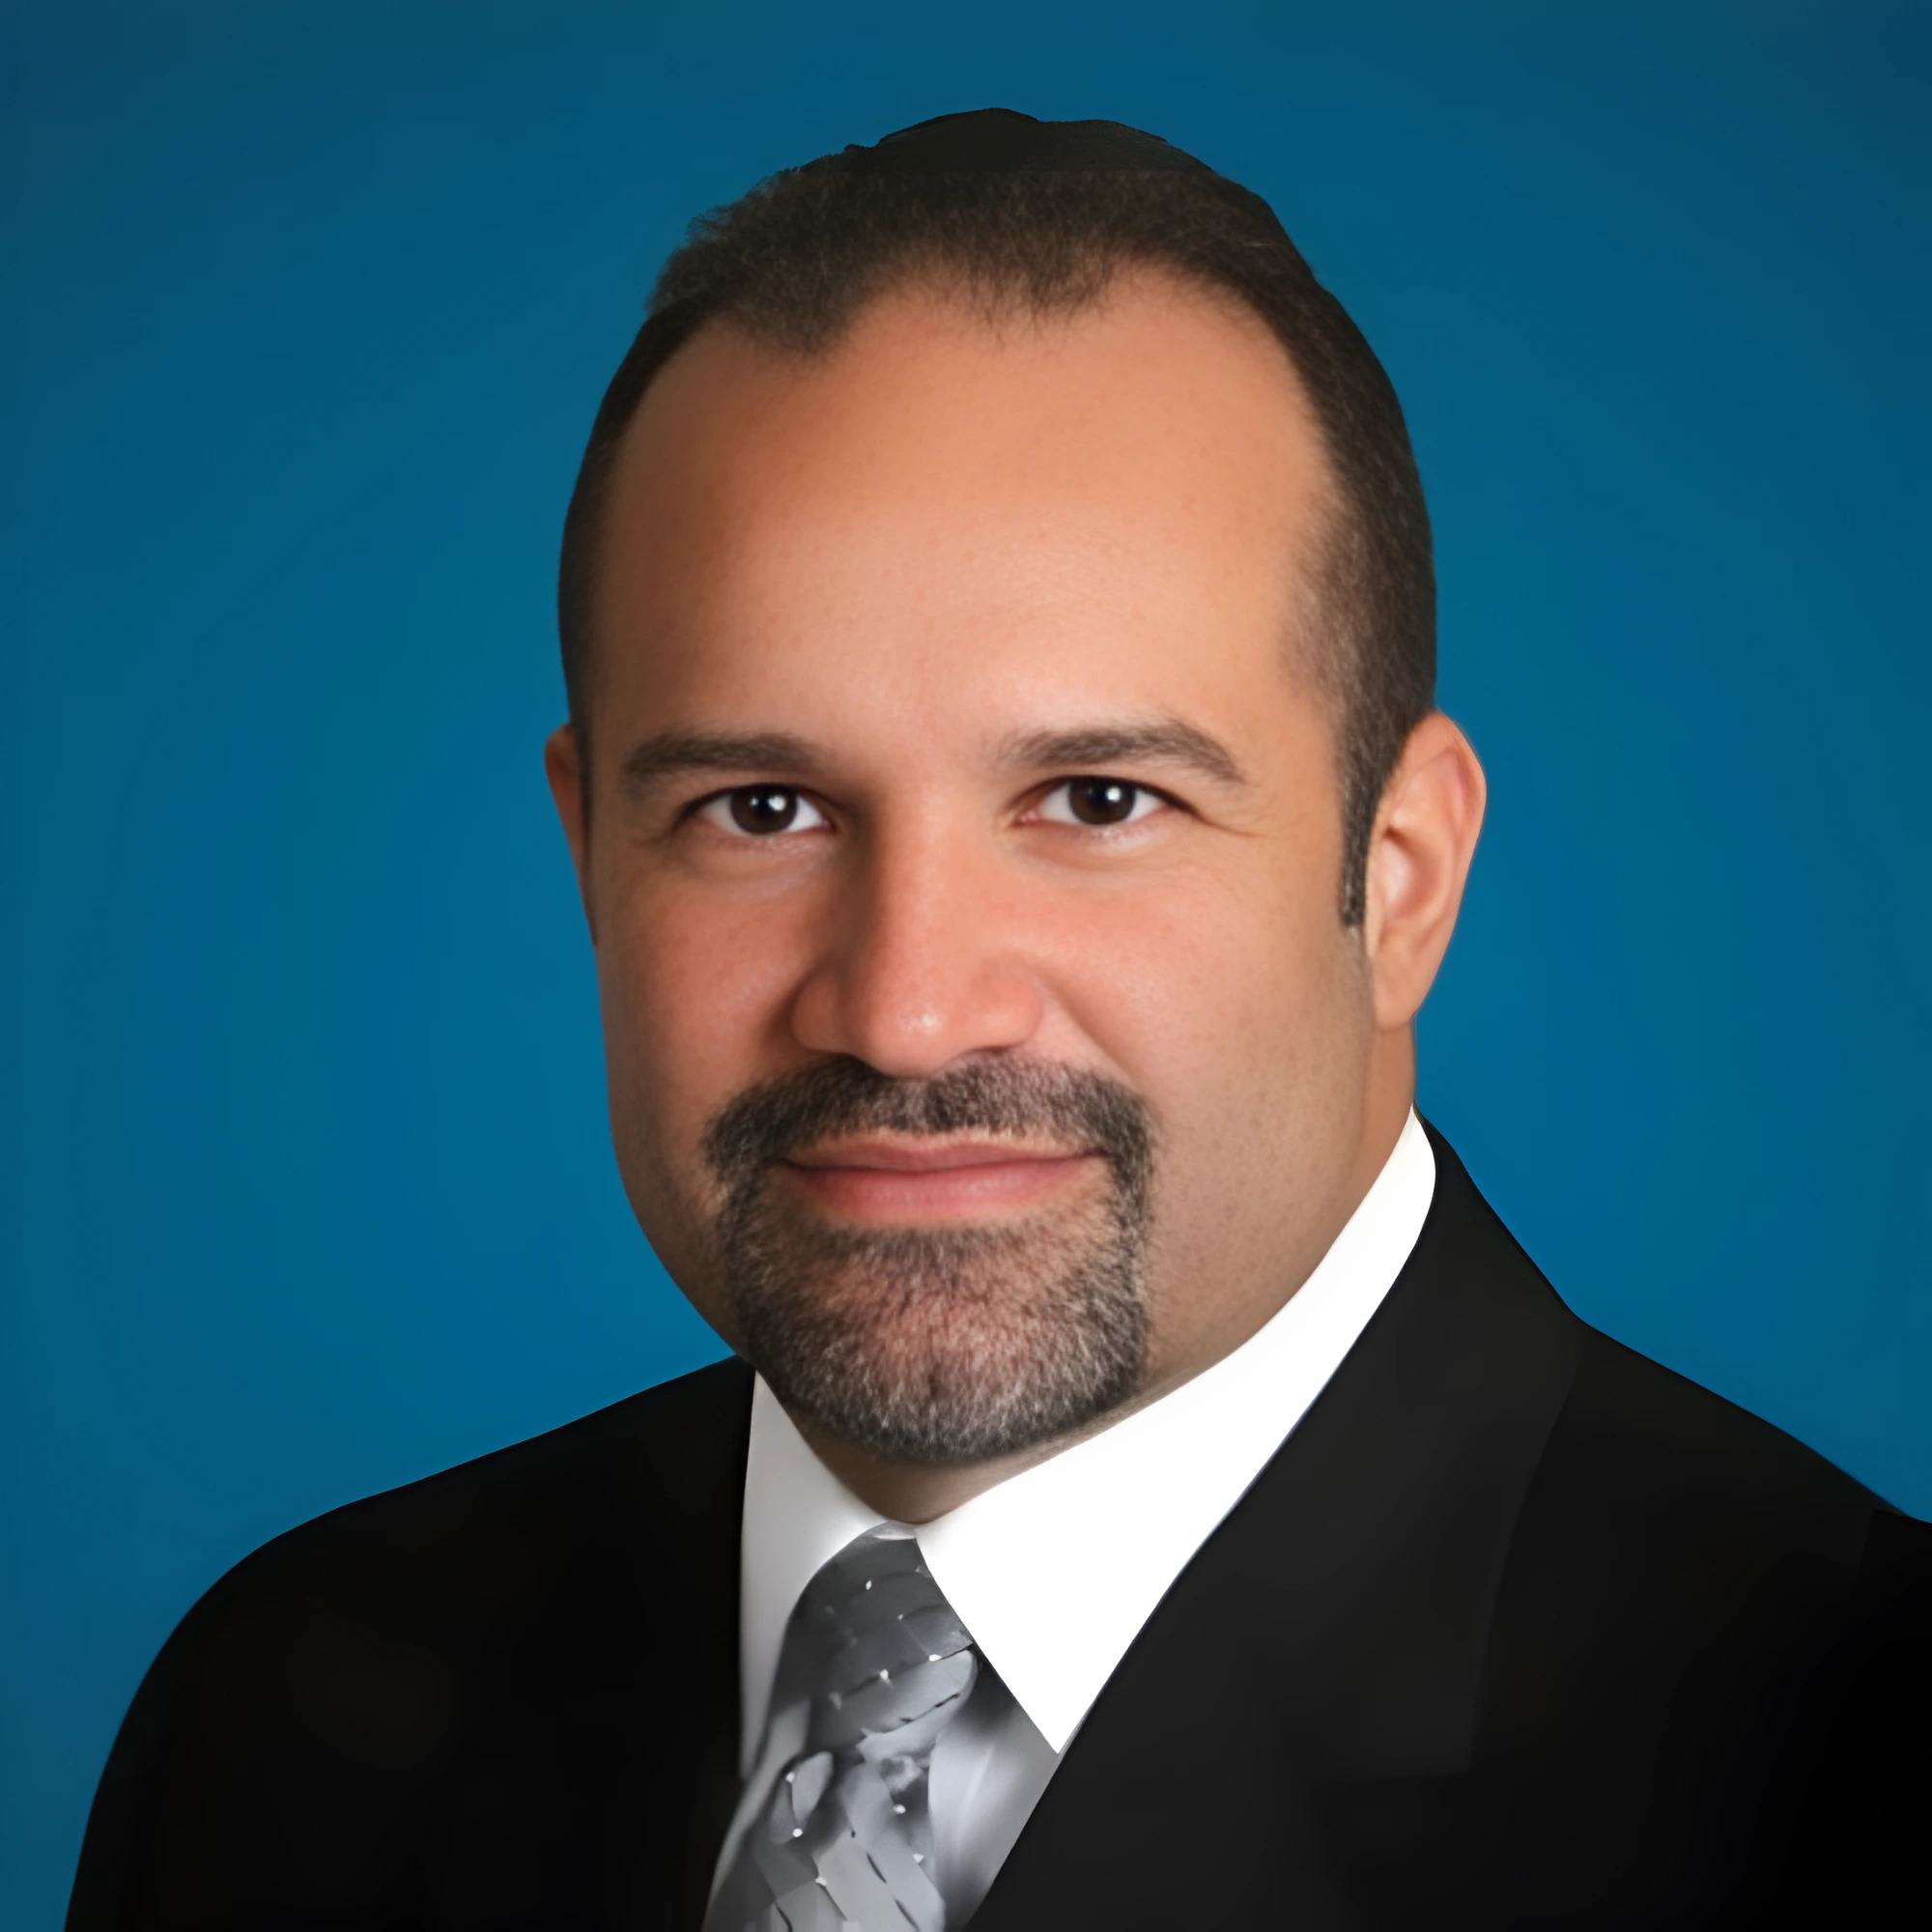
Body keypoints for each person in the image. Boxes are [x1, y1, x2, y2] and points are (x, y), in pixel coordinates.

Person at [68, 108, 1927, 1932]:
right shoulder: (286, 1715)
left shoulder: (1848, 1769)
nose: (905, 1005)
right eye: (759, 810)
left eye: (1101, 802)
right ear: (587, 853)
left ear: (1403, 876)